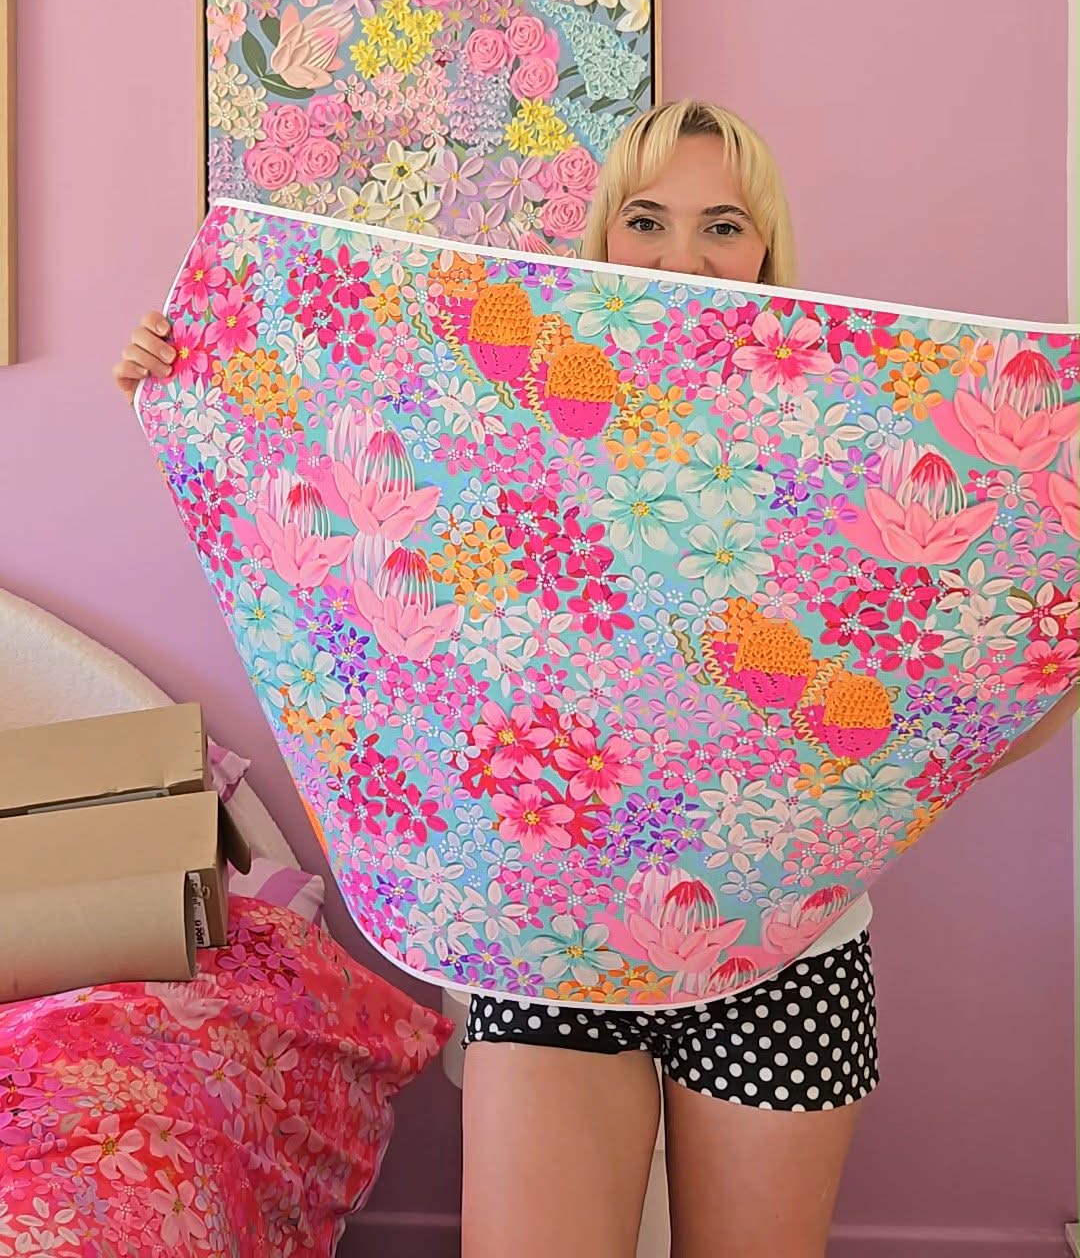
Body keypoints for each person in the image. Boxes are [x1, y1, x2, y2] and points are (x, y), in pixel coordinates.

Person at [114, 99, 1080, 1258]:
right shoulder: (510, 416)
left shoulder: (844, 439)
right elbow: (359, 566)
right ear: (606, 234)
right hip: (548, 944)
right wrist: (193, 382)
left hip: (784, 949)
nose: (683, 255)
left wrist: (1051, 661)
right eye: (648, 219)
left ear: (766, 243)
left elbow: (943, 711)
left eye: (723, 223)